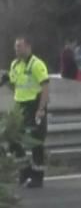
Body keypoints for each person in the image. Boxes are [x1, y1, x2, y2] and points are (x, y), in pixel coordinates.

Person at [8, 36, 49, 187]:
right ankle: (25, 169)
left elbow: (45, 87)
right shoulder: (15, 64)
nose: (17, 49)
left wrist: (41, 109)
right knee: (12, 138)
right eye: (15, 47)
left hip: (34, 105)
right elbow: (13, 81)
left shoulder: (36, 64)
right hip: (20, 107)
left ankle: (38, 177)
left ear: (28, 47)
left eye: (19, 46)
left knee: (36, 142)